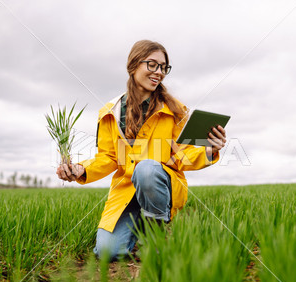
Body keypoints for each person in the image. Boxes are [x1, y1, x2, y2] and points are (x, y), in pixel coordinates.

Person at [56, 40, 226, 261]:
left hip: (158, 184)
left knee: (146, 169)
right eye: (152, 65)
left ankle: (156, 233)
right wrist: (80, 168)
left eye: (164, 67)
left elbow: (181, 154)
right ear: (134, 65)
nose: (159, 72)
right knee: (108, 252)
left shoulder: (175, 110)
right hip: (126, 190)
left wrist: (210, 151)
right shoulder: (110, 112)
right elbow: (107, 158)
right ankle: (138, 226)